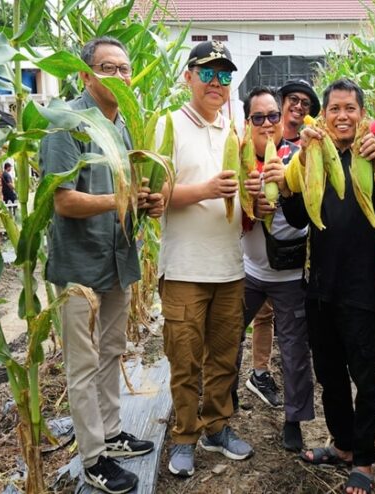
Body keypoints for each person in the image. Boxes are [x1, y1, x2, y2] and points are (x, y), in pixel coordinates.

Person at [40, 36, 163, 494]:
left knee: (112, 351)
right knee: (83, 363)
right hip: (80, 267)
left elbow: (126, 193)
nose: (120, 76)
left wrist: (144, 203)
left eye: (125, 68)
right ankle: (92, 457)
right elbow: (62, 200)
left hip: (118, 257)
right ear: (86, 75)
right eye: (108, 68)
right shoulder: (66, 123)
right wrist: (122, 199)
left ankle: (111, 434)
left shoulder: (123, 128)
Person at [275, 78, 375, 494]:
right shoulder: (311, 152)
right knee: (329, 374)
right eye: (334, 109)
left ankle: (365, 460)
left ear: (362, 115)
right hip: (318, 286)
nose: (342, 116)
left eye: (350, 108)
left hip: (361, 287)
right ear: (325, 115)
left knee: (365, 377)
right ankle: (343, 445)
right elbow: (294, 192)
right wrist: (303, 147)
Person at [156, 40, 255, 478]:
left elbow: (243, 198)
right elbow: (152, 197)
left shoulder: (233, 131)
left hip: (230, 267)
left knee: (224, 357)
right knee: (184, 358)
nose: (217, 83)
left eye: (225, 75)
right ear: (188, 77)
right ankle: (183, 436)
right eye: (208, 73)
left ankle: (217, 426)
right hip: (184, 268)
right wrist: (206, 190)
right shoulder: (168, 126)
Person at [235, 86, 314, 451]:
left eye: (272, 117)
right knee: (226, 338)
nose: (267, 124)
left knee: (296, 351)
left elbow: (309, 213)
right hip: (248, 271)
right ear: (248, 121)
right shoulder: (236, 158)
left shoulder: (298, 157)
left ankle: (294, 419)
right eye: (258, 117)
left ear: (282, 120)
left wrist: (285, 188)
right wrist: (248, 202)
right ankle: (222, 405)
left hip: (289, 274)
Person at [278, 78, 320, 145]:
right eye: (294, 99)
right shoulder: (264, 141)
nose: (299, 106)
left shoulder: (308, 145)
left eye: (305, 103)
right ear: (282, 102)